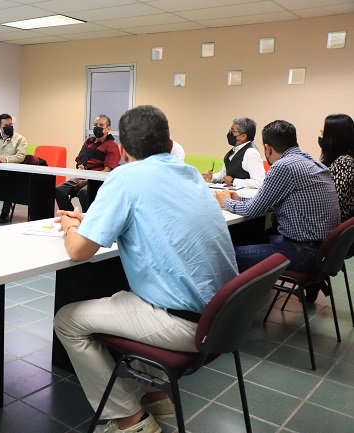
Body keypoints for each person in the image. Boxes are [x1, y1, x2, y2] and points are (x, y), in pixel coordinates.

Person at [54, 105, 238, 433]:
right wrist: (94, 221)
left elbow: (79, 251)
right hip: (223, 317)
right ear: (169, 144)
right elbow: (153, 218)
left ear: (123, 152)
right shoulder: (190, 174)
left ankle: (130, 419)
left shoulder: (126, 176)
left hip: (186, 325)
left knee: (68, 321)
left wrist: (71, 225)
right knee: (130, 295)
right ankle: (155, 395)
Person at [214, 120, 340, 302]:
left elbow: (252, 211)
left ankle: (228, 308)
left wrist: (226, 202)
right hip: (322, 251)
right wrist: (240, 199)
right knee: (253, 237)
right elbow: (268, 202)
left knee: (227, 257)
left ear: (267, 148)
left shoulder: (283, 166)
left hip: (303, 252)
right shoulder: (310, 162)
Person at [55, 114, 120, 212]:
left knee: (84, 193)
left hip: (99, 181)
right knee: (59, 190)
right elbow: (80, 161)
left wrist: (87, 181)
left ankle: (88, 219)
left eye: (101, 125)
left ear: (108, 128)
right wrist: (81, 167)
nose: (97, 127)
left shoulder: (111, 146)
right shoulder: (88, 142)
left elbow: (107, 171)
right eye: (95, 125)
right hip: (83, 177)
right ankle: (72, 216)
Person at [202, 117, 265, 188]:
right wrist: (212, 177)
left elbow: (259, 182)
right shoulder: (234, 151)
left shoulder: (251, 153)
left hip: (244, 194)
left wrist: (233, 181)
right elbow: (224, 174)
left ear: (243, 136)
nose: (230, 134)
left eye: (233, 131)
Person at [319, 113, 354, 222]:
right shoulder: (342, 160)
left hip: (334, 225)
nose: (320, 138)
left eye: (323, 133)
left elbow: (333, 202)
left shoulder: (344, 163)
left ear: (333, 138)